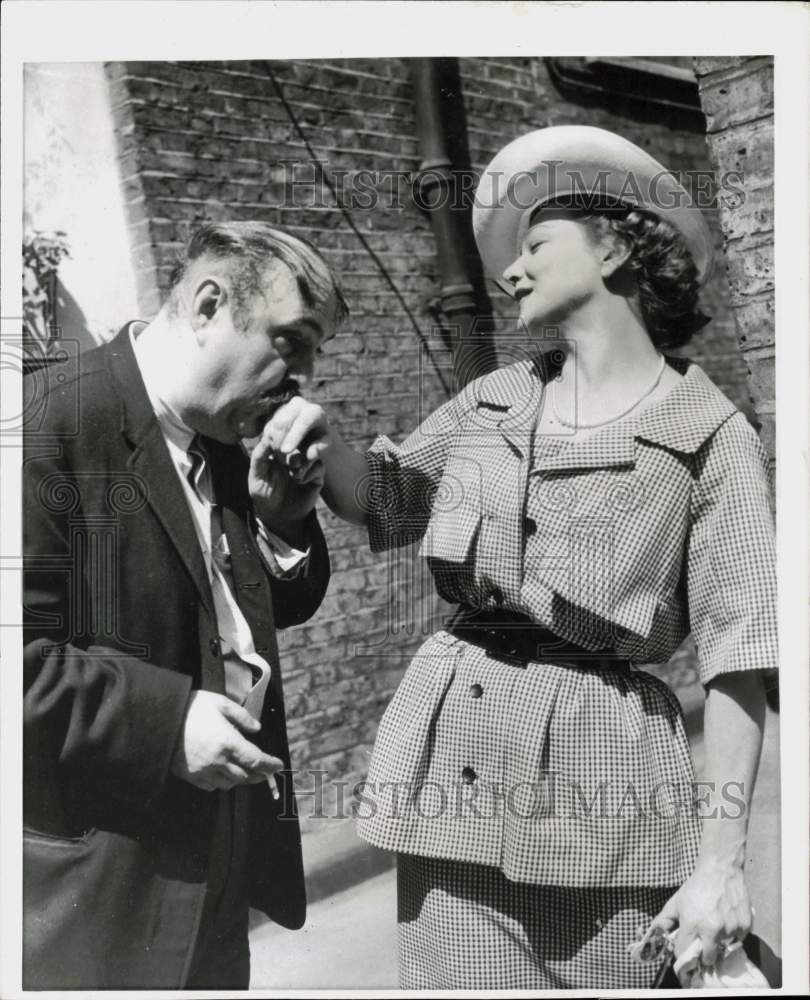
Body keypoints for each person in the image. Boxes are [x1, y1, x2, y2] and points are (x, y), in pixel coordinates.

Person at [263, 126, 778, 989]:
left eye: (538, 244)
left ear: (614, 245)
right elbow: (388, 503)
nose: (511, 272)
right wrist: (324, 444)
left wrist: (721, 864)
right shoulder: (493, 401)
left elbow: (740, 655)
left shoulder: (712, 434)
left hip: (608, 789)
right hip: (454, 762)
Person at [22, 221, 347, 989]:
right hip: (98, 893)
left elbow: (255, 611)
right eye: (292, 340)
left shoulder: (227, 438)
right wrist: (169, 724)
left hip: (218, 869)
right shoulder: (44, 423)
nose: (301, 376)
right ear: (207, 305)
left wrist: (282, 521)